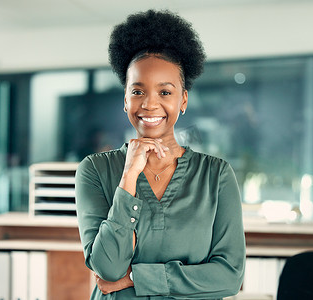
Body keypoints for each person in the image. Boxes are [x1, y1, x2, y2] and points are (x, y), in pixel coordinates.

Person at [75, 9, 245, 300]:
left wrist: (138, 278)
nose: (150, 104)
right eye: (138, 91)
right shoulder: (95, 170)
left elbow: (229, 276)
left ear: (183, 100)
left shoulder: (215, 175)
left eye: (165, 92)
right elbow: (109, 267)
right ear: (125, 99)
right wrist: (128, 177)